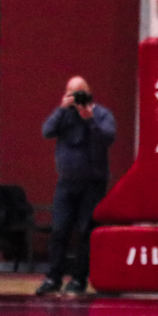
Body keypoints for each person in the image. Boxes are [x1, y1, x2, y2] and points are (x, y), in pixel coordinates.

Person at [35, 76, 116, 296]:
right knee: (59, 230)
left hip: (92, 184)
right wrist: (62, 109)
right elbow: (47, 131)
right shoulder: (64, 115)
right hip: (66, 183)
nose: (77, 98)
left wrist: (89, 119)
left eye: (80, 93)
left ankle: (79, 279)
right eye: (72, 93)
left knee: (85, 232)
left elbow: (108, 137)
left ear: (89, 93)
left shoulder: (101, 114)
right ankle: (53, 278)